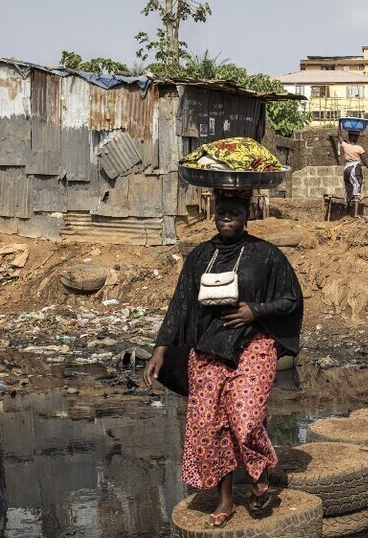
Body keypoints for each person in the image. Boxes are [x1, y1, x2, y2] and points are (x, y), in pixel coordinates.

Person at [144, 189, 304, 528]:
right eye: (221, 212)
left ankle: (259, 476)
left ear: (247, 215)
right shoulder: (200, 256)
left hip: (252, 347)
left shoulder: (266, 255)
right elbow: (179, 306)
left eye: (234, 211)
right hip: (207, 351)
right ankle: (226, 499)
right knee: (207, 426)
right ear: (214, 215)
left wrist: (254, 311)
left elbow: (291, 298)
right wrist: (159, 350)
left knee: (245, 420)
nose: (226, 217)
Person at [338, 122, 368, 217]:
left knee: (348, 190)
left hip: (346, 169)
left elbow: (338, 136)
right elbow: (365, 161)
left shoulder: (345, 146)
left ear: (349, 137)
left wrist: (339, 124)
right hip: (355, 169)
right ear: (356, 138)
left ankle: (346, 213)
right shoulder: (359, 148)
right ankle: (355, 214)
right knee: (357, 190)